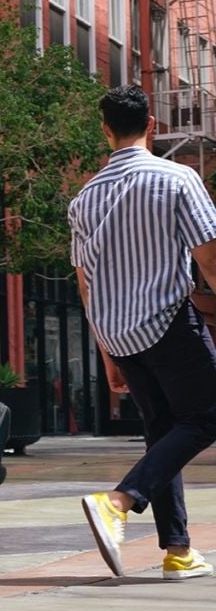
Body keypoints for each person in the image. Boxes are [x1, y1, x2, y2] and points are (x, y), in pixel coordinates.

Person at [69, 85, 216, 580]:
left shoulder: (83, 200)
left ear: (105, 130)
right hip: (169, 324)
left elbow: (85, 281)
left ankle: (177, 550)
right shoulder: (177, 179)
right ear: (151, 125)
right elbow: (209, 257)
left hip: (120, 334)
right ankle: (118, 500)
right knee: (206, 417)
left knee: (162, 433)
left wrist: (106, 349)